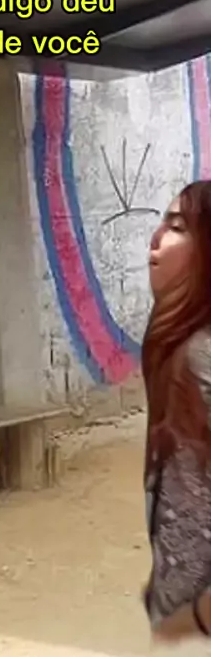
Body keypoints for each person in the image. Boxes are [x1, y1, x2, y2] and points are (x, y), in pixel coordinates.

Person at [143, 180, 211, 643]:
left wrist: (198, 615)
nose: (155, 239)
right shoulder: (177, 346)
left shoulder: (200, 355)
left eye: (177, 227)